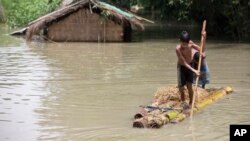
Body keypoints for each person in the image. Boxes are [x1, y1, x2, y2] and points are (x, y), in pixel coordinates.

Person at [176, 31, 206, 108]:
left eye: (186, 44)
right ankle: (183, 102)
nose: (184, 46)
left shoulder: (191, 43)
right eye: (183, 44)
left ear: (188, 42)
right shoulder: (178, 49)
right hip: (182, 67)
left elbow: (201, 49)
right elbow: (184, 62)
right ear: (180, 41)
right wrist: (194, 70)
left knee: (190, 86)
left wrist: (204, 37)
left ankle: (191, 103)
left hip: (190, 65)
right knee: (181, 87)